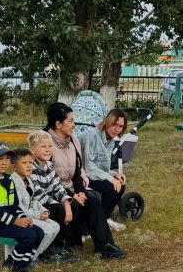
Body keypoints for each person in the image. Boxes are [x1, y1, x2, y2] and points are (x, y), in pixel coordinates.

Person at [43, 103, 125, 259]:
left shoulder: (73, 140)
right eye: (71, 121)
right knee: (79, 201)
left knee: (92, 198)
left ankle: (104, 245)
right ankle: (67, 241)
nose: (74, 125)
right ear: (58, 124)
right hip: (51, 190)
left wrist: (80, 191)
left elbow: (77, 171)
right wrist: (71, 195)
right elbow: (47, 180)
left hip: (70, 187)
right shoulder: (45, 143)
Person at [0, 141, 43, 272]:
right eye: (0, 159)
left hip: (6, 221)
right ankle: (14, 266)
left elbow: (14, 205)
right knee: (28, 236)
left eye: (7, 159)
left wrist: (23, 218)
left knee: (39, 232)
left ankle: (22, 262)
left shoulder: (8, 180)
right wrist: (15, 221)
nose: (5, 162)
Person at [8, 148, 66, 261]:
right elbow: (18, 208)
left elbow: (34, 201)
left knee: (55, 226)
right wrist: (38, 214)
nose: (29, 166)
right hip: (18, 218)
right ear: (14, 167)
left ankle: (35, 255)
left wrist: (43, 210)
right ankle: (29, 258)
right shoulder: (13, 183)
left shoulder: (28, 180)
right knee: (47, 230)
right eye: (24, 163)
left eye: (30, 162)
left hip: (30, 214)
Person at [80, 107, 128, 228]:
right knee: (111, 188)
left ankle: (104, 218)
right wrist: (110, 179)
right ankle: (90, 224)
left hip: (92, 174)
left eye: (121, 126)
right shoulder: (91, 135)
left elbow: (102, 167)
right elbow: (88, 168)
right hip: (81, 176)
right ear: (107, 121)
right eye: (114, 124)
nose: (117, 129)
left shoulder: (110, 141)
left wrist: (114, 174)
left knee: (121, 185)